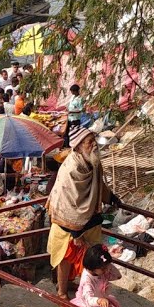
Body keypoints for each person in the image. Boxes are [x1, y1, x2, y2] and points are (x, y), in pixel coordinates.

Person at [47, 127, 113, 298]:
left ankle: (87, 291)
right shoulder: (71, 169)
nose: (94, 146)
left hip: (90, 220)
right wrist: (75, 231)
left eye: (94, 141)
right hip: (67, 223)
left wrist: (111, 197)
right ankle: (62, 292)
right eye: (89, 142)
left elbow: (100, 186)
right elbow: (67, 201)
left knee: (91, 257)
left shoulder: (94, 162)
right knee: (66, 258)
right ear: (78, 147)